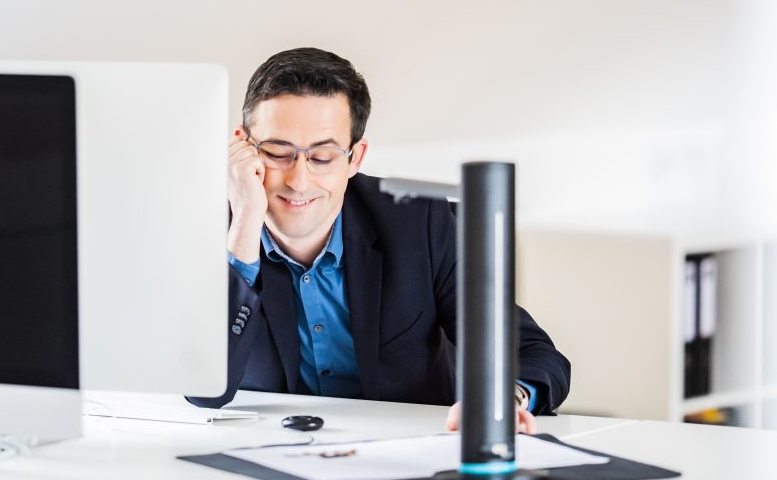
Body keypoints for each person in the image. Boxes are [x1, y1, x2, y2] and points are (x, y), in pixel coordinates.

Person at [188, 47, 570, 433]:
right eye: (276, 152)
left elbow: (531, 353)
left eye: (322, 157)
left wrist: (506, 399)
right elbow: (204, 391)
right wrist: (244, 228)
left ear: (356, 158)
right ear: (242, 147)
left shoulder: (419, 221)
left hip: (415, 452)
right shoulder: (203, 231)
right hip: (265, 455)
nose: (298, 180)